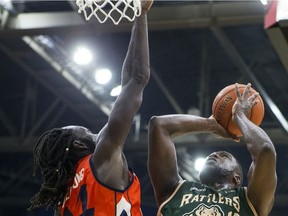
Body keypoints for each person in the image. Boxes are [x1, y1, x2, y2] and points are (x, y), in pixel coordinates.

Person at [28, 1, 153, 215]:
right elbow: (137, 78)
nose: (91, 129)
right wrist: (141, 12)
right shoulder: (102, 157)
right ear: (78, 144)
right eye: (84, 129)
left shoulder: (63, 202)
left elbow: (128, 84)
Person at [147, 83, 277, 216]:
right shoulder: (176, 190)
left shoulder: (250, 200)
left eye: (224, 156)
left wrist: (239, 116)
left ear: (236, 178)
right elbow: (159, 125)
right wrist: (210, 125)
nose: (214, 154)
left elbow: (265, 150)